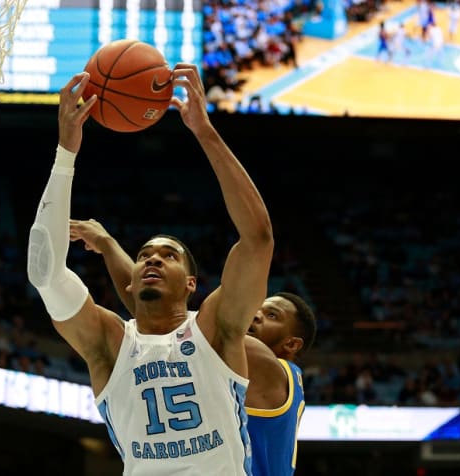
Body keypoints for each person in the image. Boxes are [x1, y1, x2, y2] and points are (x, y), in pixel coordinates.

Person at [26, 65, 275, 475]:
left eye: (169, 255)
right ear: (132, 276)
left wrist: (204, 131)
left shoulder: (216, 330)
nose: (153, 259)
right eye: (144, 255)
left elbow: (258, 240)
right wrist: (66, 153)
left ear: (192, 284)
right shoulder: (109, 344)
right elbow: (45, 274)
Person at [68, 218, 318, 476]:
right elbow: (156, 321)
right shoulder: (256, 363)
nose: (254, 314)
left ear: (291, 344)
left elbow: (159, 323)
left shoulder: (262, 361)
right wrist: (111, 249)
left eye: (271, 316)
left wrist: (109, 247)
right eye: (257, 307)